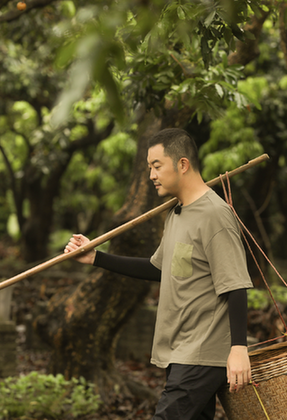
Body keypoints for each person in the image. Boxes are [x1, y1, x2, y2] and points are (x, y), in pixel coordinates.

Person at [64, 128, 252, 420]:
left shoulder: (215, 215)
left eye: (156, 166)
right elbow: (159, 269)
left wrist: (239, 348)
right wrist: (96, 257)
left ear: (183, 164)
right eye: (149, 167)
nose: (151, 175)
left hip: (201, 352)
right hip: (181, 351)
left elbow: (236, 284)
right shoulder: (178, 213)